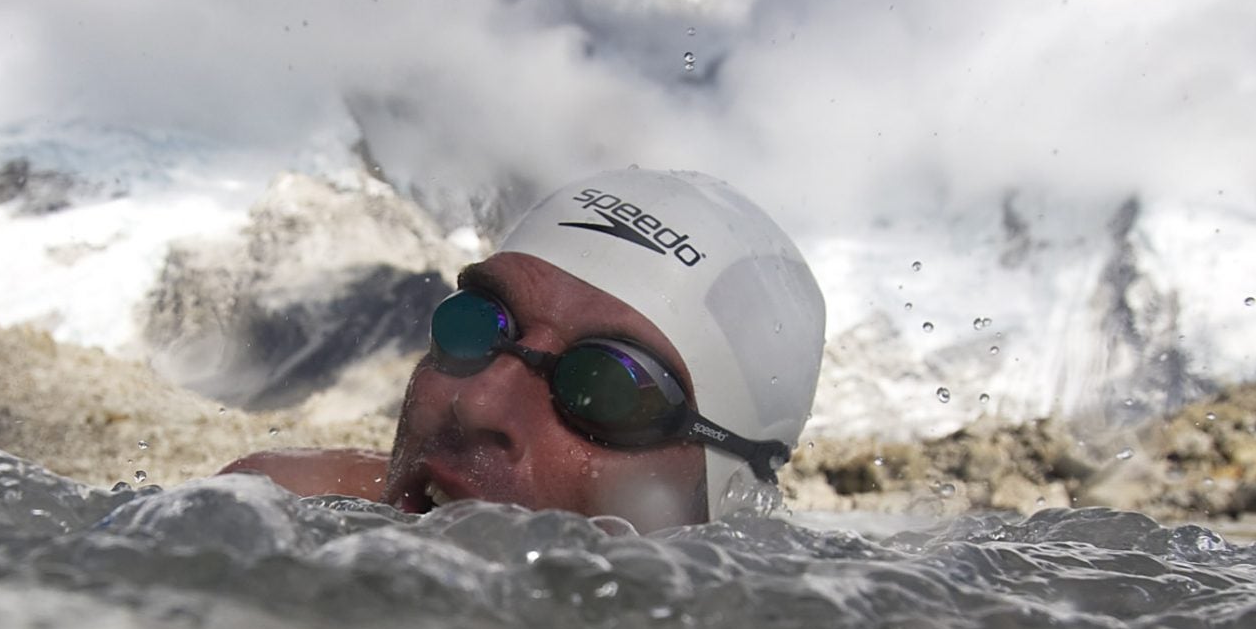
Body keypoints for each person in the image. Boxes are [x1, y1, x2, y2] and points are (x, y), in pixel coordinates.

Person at [221, 168, 826, 530]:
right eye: (477, 326)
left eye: (606, 387)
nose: (479, 401)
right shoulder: (266, 511)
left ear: (731, 500)